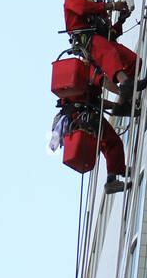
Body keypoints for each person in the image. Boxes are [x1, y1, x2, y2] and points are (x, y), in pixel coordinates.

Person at [63, 0, 145, 115]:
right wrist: (111, 5)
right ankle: (125, 83)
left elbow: (110, 34)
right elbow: (82, 8)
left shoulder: (98, 5)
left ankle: (124, 100)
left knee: (134, 61)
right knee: (107, 49)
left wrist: (121, 21)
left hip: (101, 42)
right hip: (84, 39)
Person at [51, 64, 129, 194]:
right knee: (113, 142)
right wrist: (123, 91)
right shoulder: (91, 69)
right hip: (84, 116)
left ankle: (119, 168)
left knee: (104, 145)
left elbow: (95, 101)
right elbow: (103, 83)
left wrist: (117, 107)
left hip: (77, 117)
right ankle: (111, 180)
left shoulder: (77, 73)